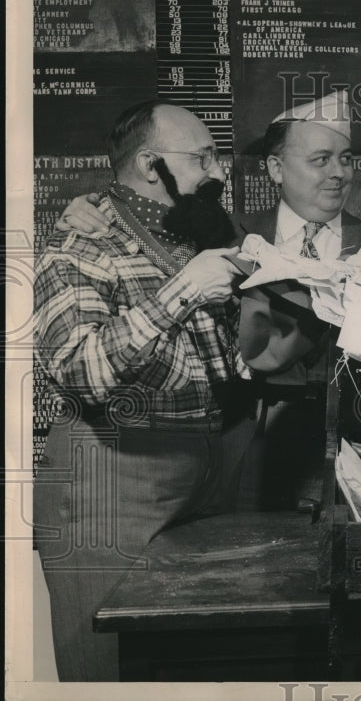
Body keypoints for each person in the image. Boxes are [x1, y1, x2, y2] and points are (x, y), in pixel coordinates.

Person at [33, 99, 254, 681]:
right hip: (113, 477)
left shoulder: (201, 227)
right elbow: (80, 371)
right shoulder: (80, 245)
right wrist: (182, 290)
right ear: (152, 164)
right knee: (106, 670)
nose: (218, 170)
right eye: (202, 156)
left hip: (210, 462)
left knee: (198, 669)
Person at [231, 91, 361, 511]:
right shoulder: (234, 243)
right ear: (276, 168)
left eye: (346, 158)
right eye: (321, 160)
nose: (338, 172)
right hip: (249, 458)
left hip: (360, 459)